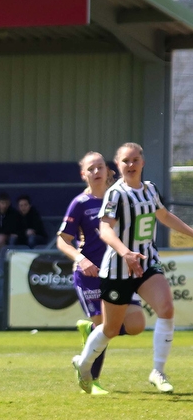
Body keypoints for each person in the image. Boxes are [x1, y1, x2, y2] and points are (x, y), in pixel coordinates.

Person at [72, 142, 193, 394]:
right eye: (125, 161)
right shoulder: (116, 194)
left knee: (167, 308)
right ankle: (84, 364)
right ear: (118, 165)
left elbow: (164, 216)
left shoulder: (150, 190)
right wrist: (125, 252)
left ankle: (158, 371)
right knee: (110, 329)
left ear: (143, 163)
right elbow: (105, 229)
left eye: (135, 160)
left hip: (146, 261)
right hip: (118, 266)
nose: (130, 165)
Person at [57, 152, 145, 395]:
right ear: (83, 174)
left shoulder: (120, 196)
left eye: (100, 168)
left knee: (136, 324)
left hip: (118, 272)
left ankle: (92, 332)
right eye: (91, 169)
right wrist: (81, 258)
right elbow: (63, 241)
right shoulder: (80, 203)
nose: (96, 172)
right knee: (107, 328)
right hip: (90, 274)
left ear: (108, 171)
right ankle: (91, 380)